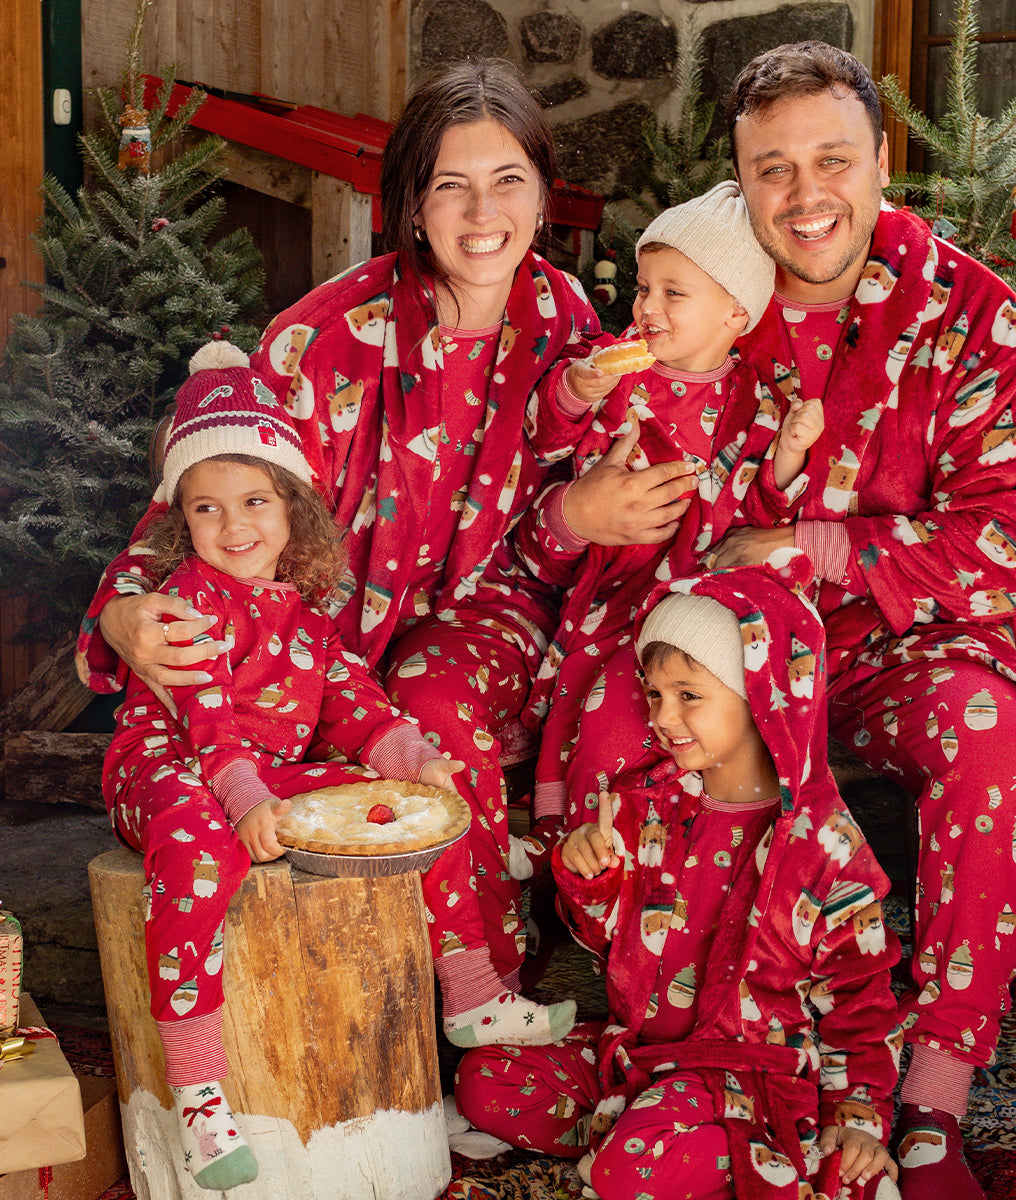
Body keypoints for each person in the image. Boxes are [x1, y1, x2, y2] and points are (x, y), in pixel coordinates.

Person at [78, 59, 663, 1049]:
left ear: (542, 193)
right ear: (411, 204)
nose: (484, 212)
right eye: (451, 184)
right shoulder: (321, 341)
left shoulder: (565, 322)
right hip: (324, 631)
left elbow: (553, 529)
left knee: (436, 705)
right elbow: (208, 498)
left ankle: (481, 1013)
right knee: (353, 715)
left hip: (486, 609)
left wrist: (579, 519)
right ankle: (376, 1037)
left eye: (509, 180)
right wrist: (124, 611)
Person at [703, 41, 1016, 1200]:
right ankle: (697, 1060)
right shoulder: (703, 301)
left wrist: (826, 549)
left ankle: (932, 1100)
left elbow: (1013, 545)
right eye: (773, 169)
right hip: (743, 650)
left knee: (995, 750)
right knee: (622, 708)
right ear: (741, 178)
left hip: (915, 649)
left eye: (831, 160)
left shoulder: (973, 313)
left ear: (883, 161)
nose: (806, 197)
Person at [100, 343, 466, 1190]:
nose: (235, 529)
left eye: (255, 501)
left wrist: (413, 758)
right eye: (207, 510)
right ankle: (198, 1092)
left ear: (293, 506)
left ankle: (472, 983)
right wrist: (239, 800)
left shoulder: (302, 617)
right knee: (197, 848)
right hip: (169, 770)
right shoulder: (187, 603)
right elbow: (208, 722)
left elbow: (356, 703)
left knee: (404, 806)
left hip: (256, 778)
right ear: (179, 522)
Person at [456, 562, 903, 1200]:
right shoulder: (644, 806)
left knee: (628, 1170)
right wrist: (594, 881)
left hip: (742, 1074)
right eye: (655, 694)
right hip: (634, 1060)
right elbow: (606, 943)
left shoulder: (823, 846)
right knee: (485, 1080)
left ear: (761, 690)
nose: (665, 717)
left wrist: (857, 1115)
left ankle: (710, 1153)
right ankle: (689, 1154)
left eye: (690, 694)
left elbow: (861, 999)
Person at [515, 180, 823, 841]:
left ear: (735, 313)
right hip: (624, 592)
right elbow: (547, 439)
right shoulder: (619, 375)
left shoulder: (758, 401)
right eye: (643, 287)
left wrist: (789, 456)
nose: (647, 306)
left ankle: (691, 845)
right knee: (606, 719)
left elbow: (763, 510)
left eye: (672, 292)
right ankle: (581, 848)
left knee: (701, 723)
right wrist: (576, 389)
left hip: (708, 602)